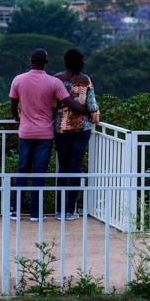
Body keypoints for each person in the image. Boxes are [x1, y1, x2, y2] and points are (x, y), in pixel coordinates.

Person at [9, 48, 90, 221]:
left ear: (31, 61)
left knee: (22, 169)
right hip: (45, 133)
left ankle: (15, 210)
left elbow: (13, 107)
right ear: (46, 63)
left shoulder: (18, 79)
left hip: (25, 132)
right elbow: (71, 104)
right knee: (40, 171)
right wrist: (90, 112)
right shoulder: (53, 82)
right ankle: (35, 213)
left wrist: (18, 118)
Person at [53, 48, 100, 220]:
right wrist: (92, 115)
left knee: (63, 169)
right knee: (75, 169)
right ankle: (70, 210)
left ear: (65, 62)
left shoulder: (57, 78)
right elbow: (92, 106)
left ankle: (58, 210)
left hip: (61, 128)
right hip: (82, 129)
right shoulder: (85, 80)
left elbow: (52, 104)